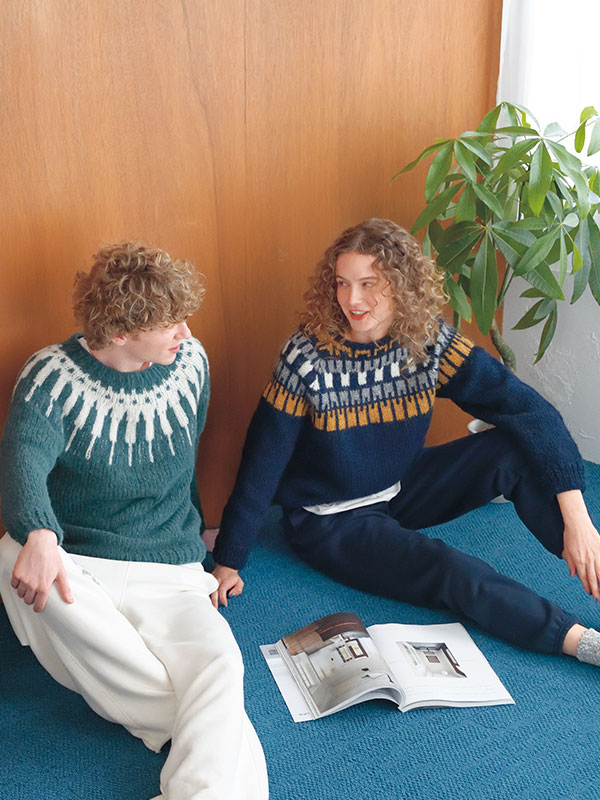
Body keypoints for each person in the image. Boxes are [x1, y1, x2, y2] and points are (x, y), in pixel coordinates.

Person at [211, 217, 600, 667]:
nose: (352, 300)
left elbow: (529, 410)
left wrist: (578, 520)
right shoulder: (306, 358)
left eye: (368, 284)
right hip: (331, 521)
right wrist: (229, 560)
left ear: (399, 284)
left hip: (398, 487)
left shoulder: (427, 341)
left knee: (512, 449)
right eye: (342, 283)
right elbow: (263, 461)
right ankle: (582, 642)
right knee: (450, 570)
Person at [0, 242, 268, 800]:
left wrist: (202, 555)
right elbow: (23, 460)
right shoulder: (49, 376)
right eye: (169, 323)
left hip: (170, 567)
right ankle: (205, 725)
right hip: (82, 568)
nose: (185, 331)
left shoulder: (190, 363)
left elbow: (184, 465)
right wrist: (42, 534)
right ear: (120, 332)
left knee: (221, 662)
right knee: (11, 551)